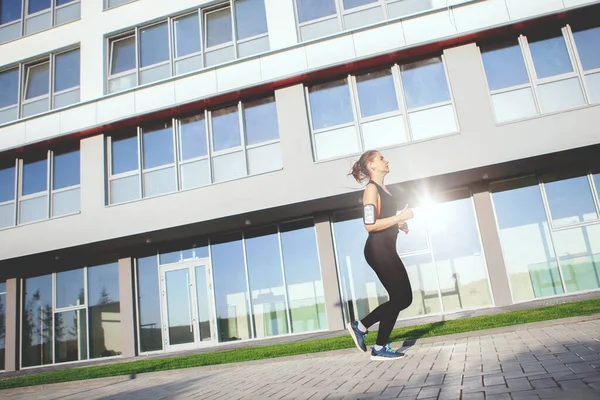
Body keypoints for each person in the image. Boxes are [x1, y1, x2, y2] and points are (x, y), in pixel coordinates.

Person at [346, 149, 414, 361]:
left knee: (404, 298)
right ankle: (378, 344)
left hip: (386, 248)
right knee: (401, 298)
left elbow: (383, 219)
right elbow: (369, 225)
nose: (387, 160)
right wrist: (398, 217)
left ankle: (362, 327)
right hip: (378, 250)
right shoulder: (370, 190)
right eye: (381, 158)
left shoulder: (385, 190)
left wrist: (399, 223)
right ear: (372, 165)